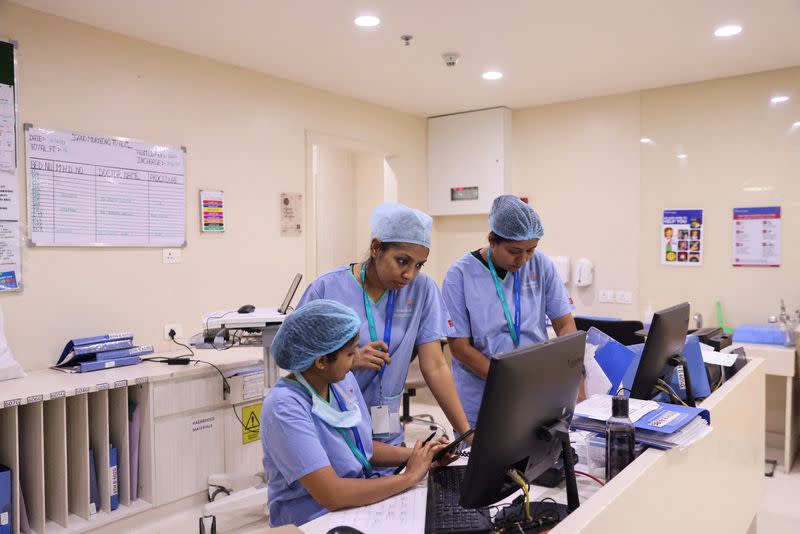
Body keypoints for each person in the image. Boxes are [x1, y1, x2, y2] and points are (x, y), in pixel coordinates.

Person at [261, 299, 450, 527]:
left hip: (353, 506)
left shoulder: (340, 383)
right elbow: (333, 494)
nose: (355, 361)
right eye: (350, 354)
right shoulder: (284, 407)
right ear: (321, 361)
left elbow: (361, 449)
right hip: (313, 521)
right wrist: (409, 477)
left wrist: (423, 455)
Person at [298, 203, 471, 451]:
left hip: (387, 433)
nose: (409, 274)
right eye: (402, 261)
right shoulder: (327, 289)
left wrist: (466, 434)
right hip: (334, 431)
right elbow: (300, 361)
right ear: (376, 248)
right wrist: (350, 359)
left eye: (419, 265)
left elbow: (435, 365)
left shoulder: (423, 290)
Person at [442, 195, 578, 427]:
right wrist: (507, 380)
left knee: (535, 457)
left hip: (536, 386)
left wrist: (566, 372)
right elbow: (460, 348)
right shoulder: (459, 276)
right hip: (482, 391)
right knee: (483, 459)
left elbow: (565, 324)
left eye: (530, 250)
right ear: (492, 240)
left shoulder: (541, 264)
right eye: (514, 251)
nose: (523, 259)